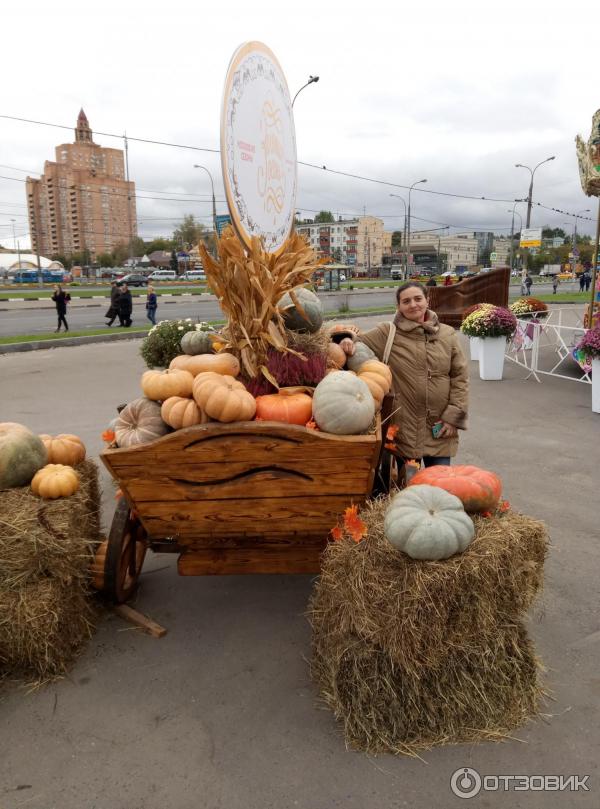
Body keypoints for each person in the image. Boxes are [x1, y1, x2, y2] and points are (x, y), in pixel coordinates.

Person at [339, 281, 469, 471]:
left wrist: (453, 417)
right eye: (406, 301)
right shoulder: (387, 333)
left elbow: (460, 377)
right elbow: (357, 341)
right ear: (398, 306)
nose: (413, 305)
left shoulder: (447, 335)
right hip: (403, 428)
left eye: (418, 299)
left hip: (440, 426)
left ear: (427, 300)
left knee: (440, 484)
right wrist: (345, 340)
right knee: (406, 490)